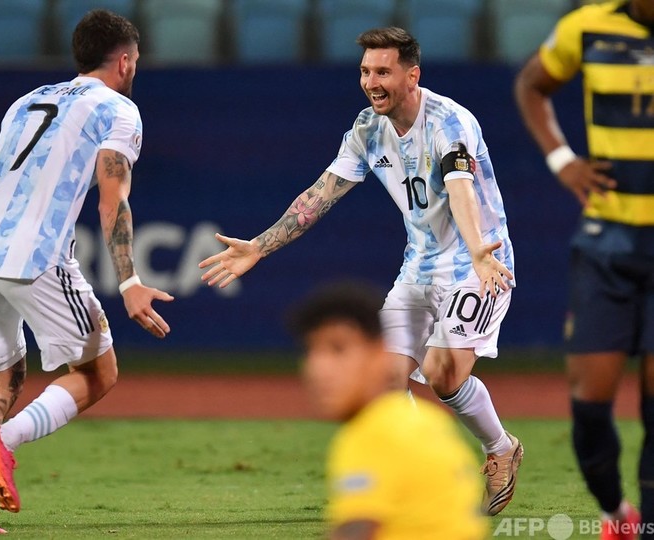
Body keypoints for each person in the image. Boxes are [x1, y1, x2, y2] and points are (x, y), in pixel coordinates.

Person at [200, 27, 523, 516]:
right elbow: (320, 194)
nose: (372, 82)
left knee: (443, 376)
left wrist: (479, 252)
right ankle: (419, 469)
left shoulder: (449, 122)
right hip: (419, 267)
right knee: (382, 380)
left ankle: (501, 448)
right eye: (365, 72)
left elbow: (459, 188)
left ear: (412, 76)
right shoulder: (368, 129)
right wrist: (260, 247)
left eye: (383, 72)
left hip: (476, 266)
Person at [0, 10, 173, 535]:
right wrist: (130, 282)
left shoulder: (26, 100)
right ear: (125, 61)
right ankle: (3, 440)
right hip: (36, 255)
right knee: (97, 372)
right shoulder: (119, 109)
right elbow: (112, 200)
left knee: (3, 378)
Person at [514, 1, 654, 538]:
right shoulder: (588, 27)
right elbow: (532, 85)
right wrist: (562, 160)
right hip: (607, 245)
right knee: (590, 407)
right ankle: (616, 512)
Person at [289, 281, 487, 540]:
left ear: (381, 354)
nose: (319, 369)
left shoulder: (374, 434)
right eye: (311, 350)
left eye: (338, 349)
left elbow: (356, 532)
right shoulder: (427, 420)